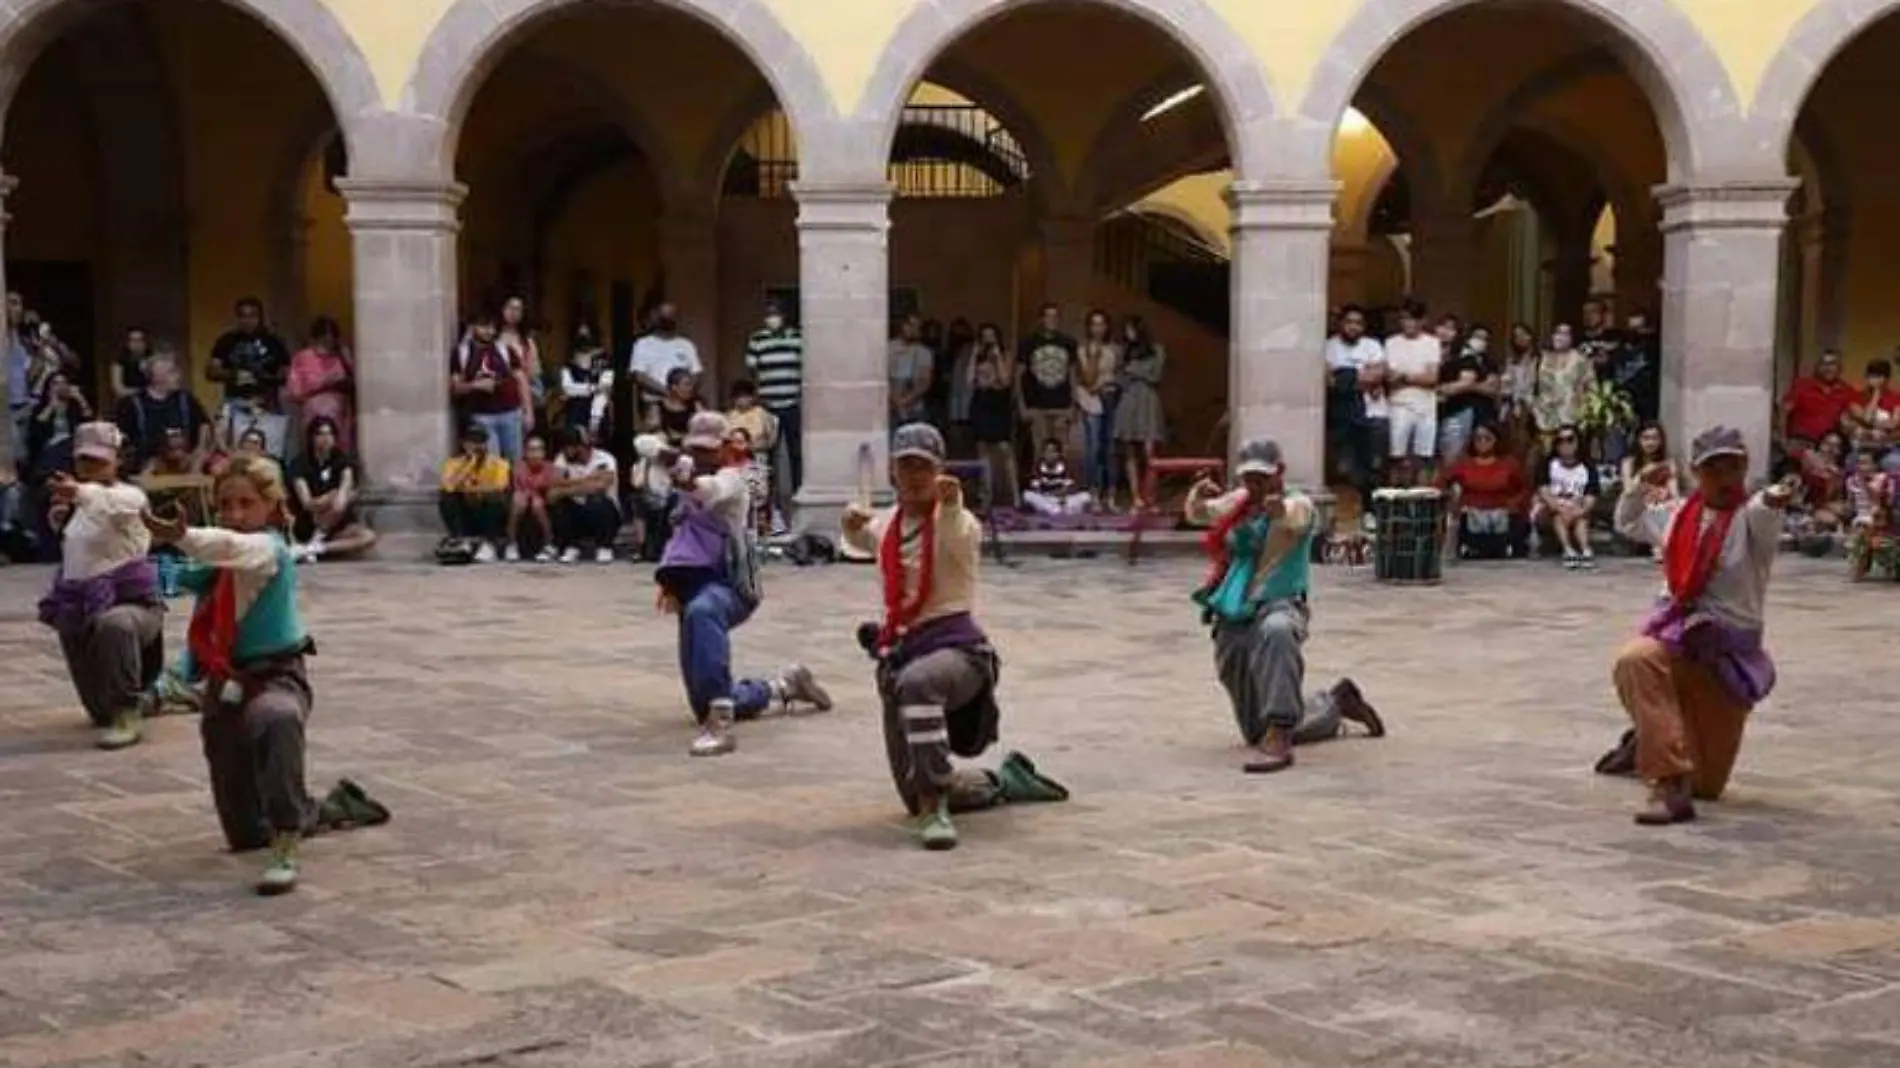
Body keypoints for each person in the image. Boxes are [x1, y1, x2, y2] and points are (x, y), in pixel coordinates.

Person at [140, 456, 389, 893]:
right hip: (226, 681)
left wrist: (181, 535)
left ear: (272, 507)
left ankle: (288, 841)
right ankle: (331, 808)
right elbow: (178, 580)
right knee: (244, 833)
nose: (236, 515)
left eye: (246, 504)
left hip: (277, 675)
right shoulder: (213, 562)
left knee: (276, 719)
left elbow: (233, 549)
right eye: (226, 505)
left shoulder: (267, 548)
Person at [839, 423, 1071, 850]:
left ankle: (935, 803)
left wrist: (951, 502)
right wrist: (851, 523)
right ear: (893, 471)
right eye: (905, 466)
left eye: (922, 467)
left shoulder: (959, 522)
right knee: (907, 791)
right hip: (903, 651)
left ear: (939, 472)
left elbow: (956, 533)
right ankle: (1000, 781)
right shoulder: (889, 525)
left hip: (959, 653)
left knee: (919, 684)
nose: (913, 476)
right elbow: (860, 538)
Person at [1609, 426, 1795, 825]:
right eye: (1714, 469)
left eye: (1734, 467)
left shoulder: (1752, 519)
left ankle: (1650, 739)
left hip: (1726, 658)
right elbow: (1627, 524)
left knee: (1709, 787)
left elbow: (1769, 503)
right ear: (1697, 473)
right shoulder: (1677, 515)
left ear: (1745, 468)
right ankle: (1667, 780)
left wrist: (1779, 494)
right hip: (1675, 640)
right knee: (1636, 659)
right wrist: (1641, 485)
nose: (1725, 478)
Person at [1185, 439, 1384, 774]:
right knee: (1253, 730)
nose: (1254, 484)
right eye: (1248, 477)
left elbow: (1297, 517)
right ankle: (1334, 703)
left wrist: (1278, 510)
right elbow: (1200, 514)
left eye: (1261, 476)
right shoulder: (1240, 502)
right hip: (1236, 608)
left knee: (1276, 632)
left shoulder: (1298, 503)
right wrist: (1198, 495)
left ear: (1279, 472)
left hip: (1281, 602)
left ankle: (1280, 730)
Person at [654, 411, 830, 757]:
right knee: (702, 700)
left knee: (704, 613)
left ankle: (721, 726)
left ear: (724, 447)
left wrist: (679, 470)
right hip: (689, 582)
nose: (703, 456)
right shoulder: (683, 475)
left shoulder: (736, 478)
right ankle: (783, 687)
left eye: (709, 449)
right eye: (696, 449)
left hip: (731, 581)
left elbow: (709, 491)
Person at [35, 423, 164, 750]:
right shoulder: (74, 508)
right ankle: (155, 697)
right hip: (81, 607)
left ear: (118, 460)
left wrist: (79, 492)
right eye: (83, 461)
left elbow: (112, 504)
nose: (90, 468)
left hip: (132, 606)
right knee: (99, 712)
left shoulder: (129, 496)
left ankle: (129, 711)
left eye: (99, 460)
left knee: (115, 624)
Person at [207, 297, 292, 459]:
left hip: (267, 404)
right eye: (243, 316)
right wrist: (233, 375)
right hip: (236, 403)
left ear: (260, 317)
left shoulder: (274, 341)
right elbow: (211, 371)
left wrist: (263, 377)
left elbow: (286, 372)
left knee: (272, 454)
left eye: (252, 316)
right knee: (236, 454)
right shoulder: (227, 341)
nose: (247, 320)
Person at [287, 416, 376, 560]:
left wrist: (341, 496)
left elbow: (346, 486)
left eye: (329, 434)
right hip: (311, 521)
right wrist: (328, 498)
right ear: (312, 437)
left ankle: (316, 548)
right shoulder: (300, 464)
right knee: (336, 496)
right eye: (320, 434)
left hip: (337, 524)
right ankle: (313, 541)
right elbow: (307, 503)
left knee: (368, 536)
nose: (325, 438)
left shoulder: (342, 460)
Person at [450, 307, 531, 464]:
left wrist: (528, 412)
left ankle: (515, 488)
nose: (489, 331)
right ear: (473, 327)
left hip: (511, 412)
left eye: (492, 327)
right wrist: (475, 386)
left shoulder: (504, 350)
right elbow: (455, 388)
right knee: (491, 462)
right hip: (482, 416)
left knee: (515, 461)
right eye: (484, 326)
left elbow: (521, 379)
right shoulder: (462, 352)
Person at [743, 300, 804, 508]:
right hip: (768, 405)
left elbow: (807, 367)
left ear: (783, 316)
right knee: (765, 453)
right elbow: (752, 370)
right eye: (768, 314)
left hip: (792, 403)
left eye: (775, 314)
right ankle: (767, 499)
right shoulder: (757, 339)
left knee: (796, 451)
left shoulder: (797, 338)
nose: (771, 318)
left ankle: (797, 493)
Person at [1439, 421, 1530, 559]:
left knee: (1511, 519)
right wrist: (1453, 503)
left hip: (1502, 512)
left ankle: (1504, 547)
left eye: (1487, 438)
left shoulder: (1509, 464)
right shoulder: (1464, 463)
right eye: (1478, 438)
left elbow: (1524, 489)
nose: (1482, 442)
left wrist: (1513, 504)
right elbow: (1441, 483)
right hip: (1471, 513)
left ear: (1496, 440)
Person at [116, 352, 211, 470]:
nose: (178, 376)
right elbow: (120, 436)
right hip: (146, 464)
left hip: (186, 461)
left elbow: (204, 425)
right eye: (172, 372)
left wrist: (200, 450)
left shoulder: (185, 399)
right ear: (157, 377)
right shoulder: (132, 404)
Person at [1383, 302, 1442, 483]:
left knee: (1424, 457)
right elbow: (1389, 377)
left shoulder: (1432, 343)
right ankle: (1394, 497)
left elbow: (1432, 378)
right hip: (1399, 405)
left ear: (1422, 321)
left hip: (1425, 406)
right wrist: (1415, 378)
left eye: (1412, 319)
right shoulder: (1391, 343)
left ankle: (1421, 499)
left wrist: (1404, 377)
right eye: (1404, 319)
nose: (1407, 323)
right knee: (1396, 456)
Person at [437, 421, 511, 562]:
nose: (476, 446)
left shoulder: (499, 464)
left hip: (486, 511)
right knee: (446, 497)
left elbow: (499, 487)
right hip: (465, 512)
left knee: (495, 498)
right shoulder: (453, 464)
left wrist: (473, 491)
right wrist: (469, 463)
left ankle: (489, 543)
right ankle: (460, 539)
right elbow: (448, 487)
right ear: (464, 444)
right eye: (472, 442)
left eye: (480, 442)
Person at [1114, 315, 1167, 508]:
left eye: (1130, 329)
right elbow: (1119, 377)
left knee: (1149, 450)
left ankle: (1151, 494)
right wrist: (1127, 373)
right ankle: (1136, 495)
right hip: (1129, 398)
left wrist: (1133, 370)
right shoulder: (1124, 351)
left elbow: (1156, 375)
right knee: (1129, 450)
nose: (1128, 333)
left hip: (1148, 399)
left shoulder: (1156, 350)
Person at [1018, 303, 1078, 469]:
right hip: (1037, 404)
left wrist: (1074, 404)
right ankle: (1040, 486)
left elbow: (1072, 374)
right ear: (1041, 319)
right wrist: (1021, 404)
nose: (1051, 320)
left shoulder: (1068, 343)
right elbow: (1019, 375)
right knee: (1039, 449)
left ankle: (1060, 485)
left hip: (1062, 404)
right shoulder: (1028, 343)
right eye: (1048, 316)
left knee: (1062, 448)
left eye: (1055, 316)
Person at [285, 316, 356, 455]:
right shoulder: (302, 358)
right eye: (323, 341)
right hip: (313, 414)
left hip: (340, 416)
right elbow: (293, 392)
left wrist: (347, 360)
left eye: (330, 341)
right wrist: (322, 383)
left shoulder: (340, 357)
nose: (326, 346)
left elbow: (356, 384)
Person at [549, 427, 620, 564]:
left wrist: (566, 487)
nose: (565, 451)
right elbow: (553, 487)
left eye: (569, 447)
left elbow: (600, 486)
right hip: (577, 511)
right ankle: (571, 546)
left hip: (605, 513)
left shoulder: (605, 459)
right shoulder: (562, 458)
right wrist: (587, 480)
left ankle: (604, 546)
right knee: (559, 503)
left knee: (597, 500)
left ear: (581, 446)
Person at [967, 324, 1019, 509]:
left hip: (999, 403)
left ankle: (1015, 496)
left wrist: (997, 359)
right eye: (985, 337)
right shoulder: (978, 356)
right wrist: (974, 355)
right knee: (983, 451)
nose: (989, 340)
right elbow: (969, 381)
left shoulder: (1005, 354)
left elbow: (1005, 381)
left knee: (1004, 449)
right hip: (982, 403)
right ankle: (986, 496)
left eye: (992, 336)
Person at [1535, 425, 1601, 570]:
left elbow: (1591, 495)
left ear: (1578, 442)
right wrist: (1558, 507)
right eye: (1560, 440)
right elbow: (1544, 491)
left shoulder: (1588, 468)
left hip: (1577, 507)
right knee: (1558, 515)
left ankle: (1585, 550)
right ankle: (1568, 550)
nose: (1565, 444)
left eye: (1570, 439)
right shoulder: (1548, 464)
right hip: (1551, 509)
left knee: (1581, 518)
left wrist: (1581, 510)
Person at [629, 303, 701, 430]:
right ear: (656, 319)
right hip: (654, 403)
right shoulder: (643, 344)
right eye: (664, 317)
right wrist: (669, 393)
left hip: (683, 405)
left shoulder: (685, 344)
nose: (668, 320)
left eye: (671, 316)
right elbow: (639, 375)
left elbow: (696, 373)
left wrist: (683, 393)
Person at [1781, 349, 1855, 455]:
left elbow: (1858, 415)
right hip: (1802, 443)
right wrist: (1783, 440)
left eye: (1833, 364)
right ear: (1817, 367)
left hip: (1830, 447)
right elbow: (1784, 412)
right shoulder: (1802, 385)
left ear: (1840, 368)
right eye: (1824, 364)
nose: (1828, 368)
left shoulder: (1846, 390)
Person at [507, 433, 558, 562]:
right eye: (531, 450)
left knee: (537, 504)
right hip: (524, 501)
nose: (535, 454)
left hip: (545, 503)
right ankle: (511, 544)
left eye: (538, 449)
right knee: (518, 500)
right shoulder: (518, 466)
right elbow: (519, 487)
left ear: (544, 452)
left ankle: (549, 543)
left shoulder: (551, 467)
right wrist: (530, 494)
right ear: (525, 452)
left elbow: (549, 488)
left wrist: (535, 494)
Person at [558, 324, 613, 441]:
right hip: (574, 412)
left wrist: (595, 419)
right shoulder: (569, 361)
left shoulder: (603, 360)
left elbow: (605, 387)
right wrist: (593, 388)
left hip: (598, 414)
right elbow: (568, 388)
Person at [1022, 437, 1091, 516]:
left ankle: (1062, 510)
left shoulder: (1065, 465)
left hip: (1063, 499)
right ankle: (1055, 510)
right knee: (1027, 495)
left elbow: (1070, 487)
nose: (1050, 455)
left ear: (1059, 454)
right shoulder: (1038, 466)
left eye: (1053, 452)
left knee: (1085, 496)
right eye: (1047, 452)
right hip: (1046, 498)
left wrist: (1062, 495)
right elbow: (1036, 487)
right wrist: (1047, 493)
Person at [888, 313, 935, 429]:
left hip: (915, 407)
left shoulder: (924, 352)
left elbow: (925, 381)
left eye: (917, 327)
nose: (913, 330)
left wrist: (907, 399)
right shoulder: (888, 348)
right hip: (890, 405)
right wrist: (894, 399)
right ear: (903, 325)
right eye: (911, 325)